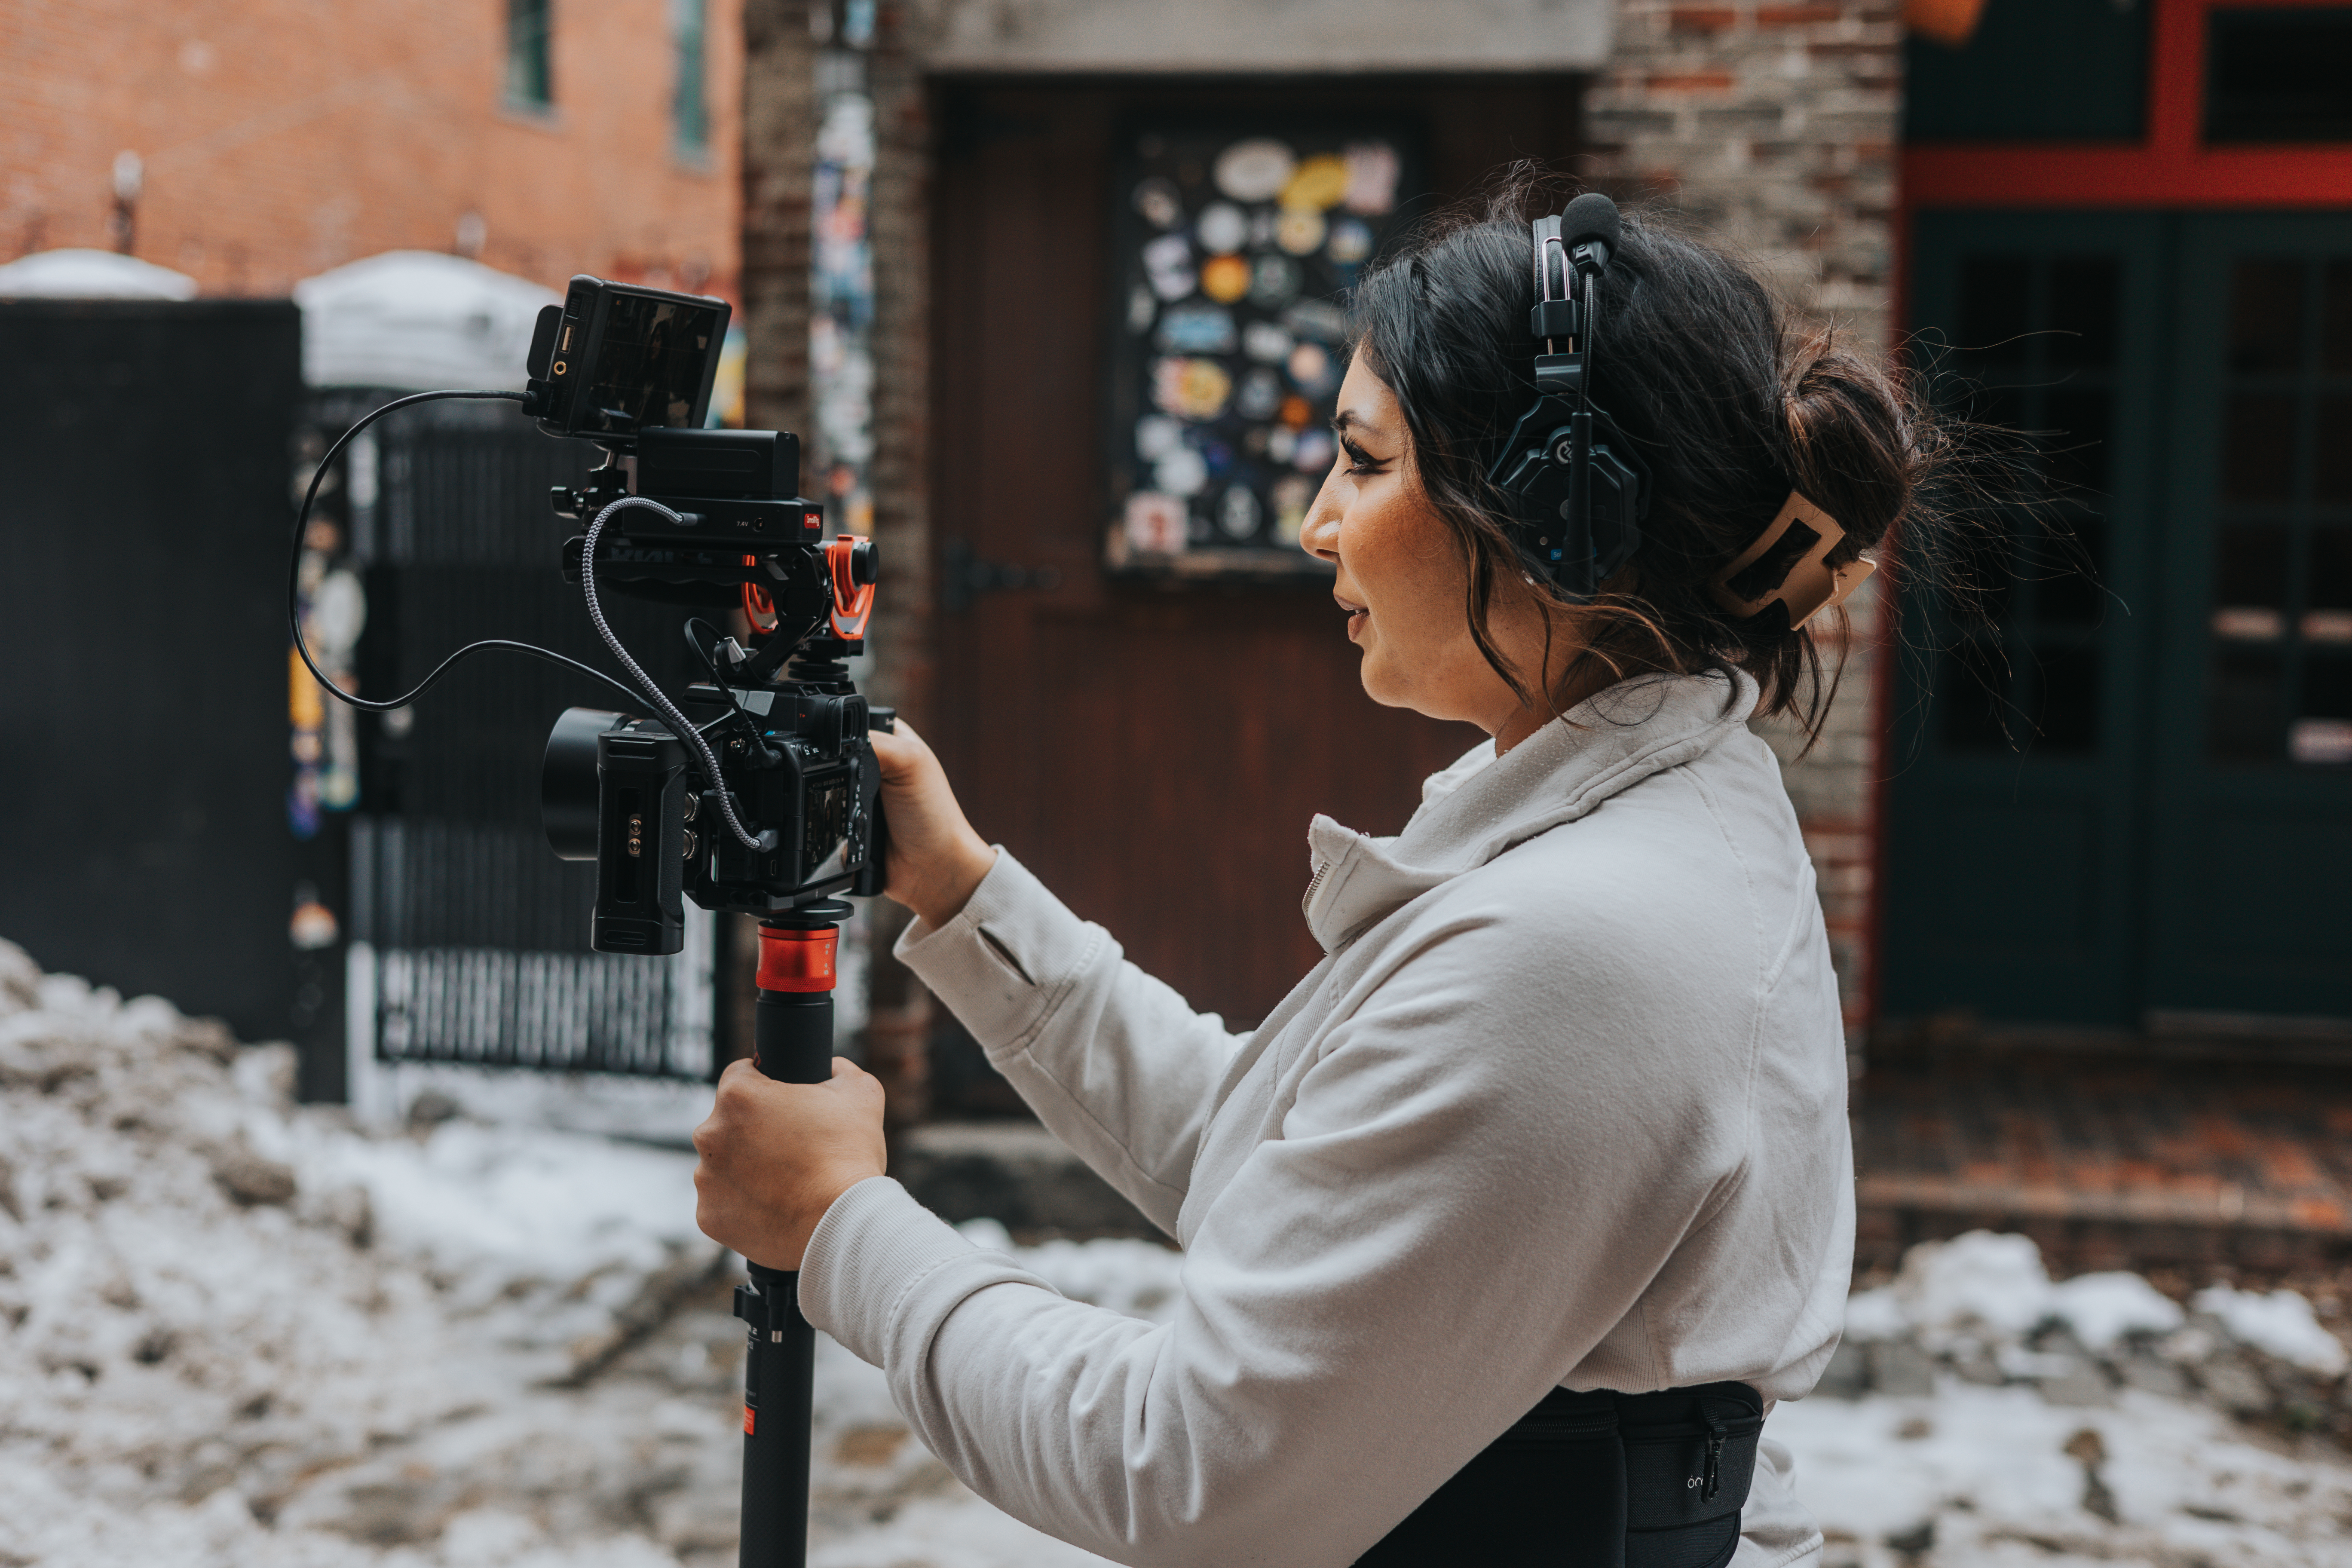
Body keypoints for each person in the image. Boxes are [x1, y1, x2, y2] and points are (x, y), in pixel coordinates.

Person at [692, 179, 1932, 1567]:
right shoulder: (1642, 819)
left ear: (1555, 511)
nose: (1318, 523)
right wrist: (966, 896)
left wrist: (840, 1228)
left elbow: (1190, 1475)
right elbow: (1298, 1169)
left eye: (1365, 457)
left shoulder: (1582, 940)